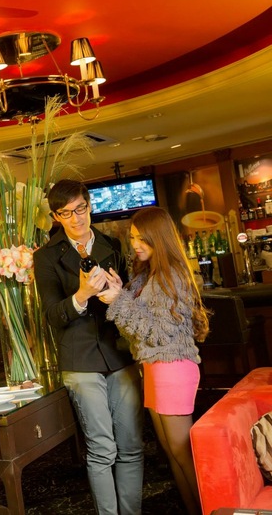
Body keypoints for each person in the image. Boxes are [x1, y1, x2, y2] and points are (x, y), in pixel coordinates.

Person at [33, 179, 144, 515]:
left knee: (131, 446)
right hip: (79, 359)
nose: (76, 218)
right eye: (66, 213)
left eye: (80, 209)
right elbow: (52, 316)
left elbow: (130, 302)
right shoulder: (46, 257)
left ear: (90, 205)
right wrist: (81, 295)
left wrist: (119, 294)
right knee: (102, 449)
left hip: (118, 353)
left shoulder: (113, 244)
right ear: (56, 217)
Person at [99, 207, 208, 515]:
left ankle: (209, 509)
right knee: (172, 453)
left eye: (143, 239)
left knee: (182, 453)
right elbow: (133, 329)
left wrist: (120, 300)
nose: (135, 244)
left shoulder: (171, 275)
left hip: (173, 368)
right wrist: (119, 294)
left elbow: (158, 333)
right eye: (133, 238)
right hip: (154, 368)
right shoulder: (147, 276)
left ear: (158, 238)